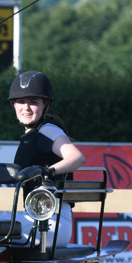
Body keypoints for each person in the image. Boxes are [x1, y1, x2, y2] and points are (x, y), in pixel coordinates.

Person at [9, 70, 85, 247]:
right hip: (38, 217)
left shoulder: (47, 130)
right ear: (13, 104)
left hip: (52, 223)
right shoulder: (32, 134)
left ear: (46, 106)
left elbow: (77, 158)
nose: (26, 108)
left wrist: (47, 172)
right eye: (21, 102)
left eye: (34, 102)